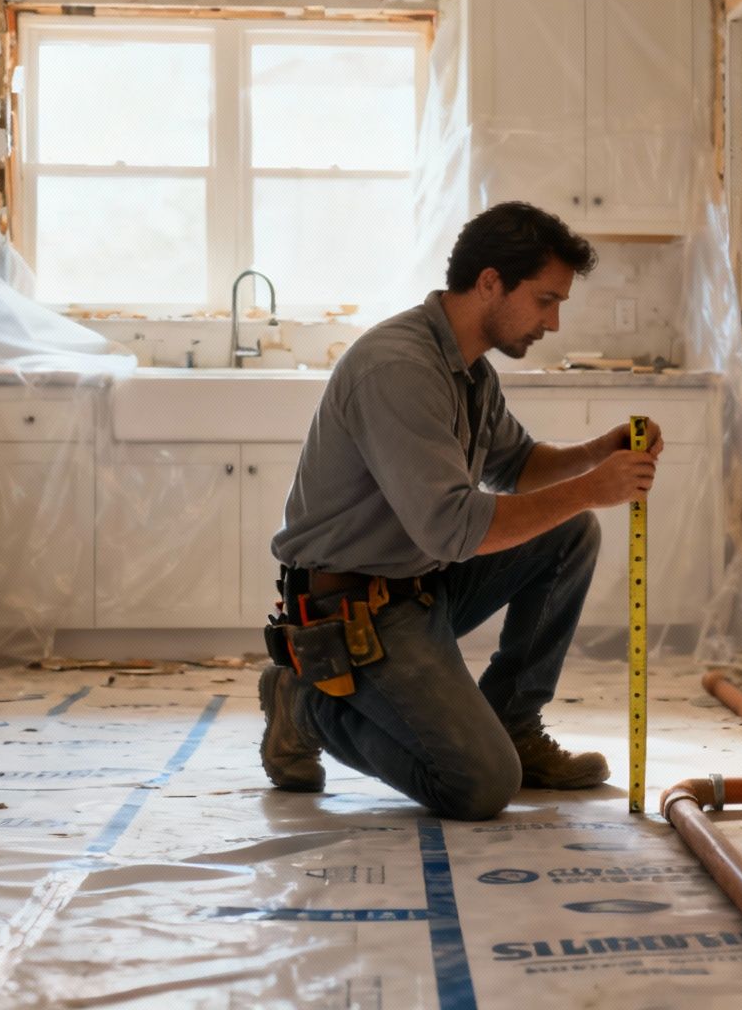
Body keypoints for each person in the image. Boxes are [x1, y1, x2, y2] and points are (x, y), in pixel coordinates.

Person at [258, 201, 663, 821]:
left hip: (418, 584)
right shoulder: (399, 368)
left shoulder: (469, 371)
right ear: (491, 283)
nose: (552, 323)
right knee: (477, 786)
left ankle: (514, 723)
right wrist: (591, 488)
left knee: (569, 533)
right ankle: (307, 701)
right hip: (352, 610)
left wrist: (594, 455)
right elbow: (452, 527)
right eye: (546, 300)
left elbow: (519, 465)